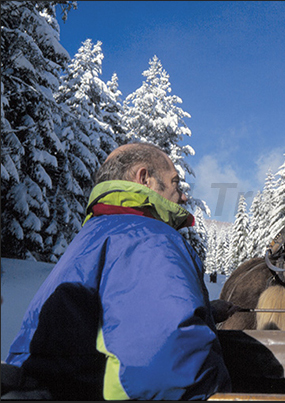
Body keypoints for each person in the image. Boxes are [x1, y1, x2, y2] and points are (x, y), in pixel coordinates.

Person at [3, 143, 233, 401]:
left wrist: (207, 312)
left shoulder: (93, 236)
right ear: (144, 178)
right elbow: (165, 366)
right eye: (175, 183)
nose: (183, 197)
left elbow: (100, 325)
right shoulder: (149, 238)